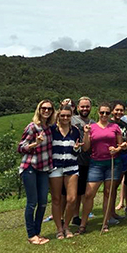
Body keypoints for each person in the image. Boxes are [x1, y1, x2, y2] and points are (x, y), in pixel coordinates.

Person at [78, 103, 127, 234]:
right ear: (98, 113)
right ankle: (83, 223)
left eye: (107, 113)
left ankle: (105, 222)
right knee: (89, 194)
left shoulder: (115, 127)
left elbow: (121, 145)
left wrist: (116, 149)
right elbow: (86, 148)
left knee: (108, 193)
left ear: (110, 114)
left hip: (112, 163)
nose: (104, 115)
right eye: (102, 113)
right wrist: (86, 134)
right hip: (96, 164)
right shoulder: (92, 127)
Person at [18, 100, 55, 245]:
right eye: (43, 108)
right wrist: (35, 143)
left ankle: (37, 232)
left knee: (43, 202)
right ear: (39, 110)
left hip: (44, 168)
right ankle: (31, 234)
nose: (46, 111)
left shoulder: (49, 128)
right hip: (30, 168)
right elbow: (21, 147)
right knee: (32, 202)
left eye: (49, 109)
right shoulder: (32, 127)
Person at [49, 105, 81, 239]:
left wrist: (76, 148)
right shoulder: (52, 130)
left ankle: (66, 226)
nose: (65, 118)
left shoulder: (75, 131)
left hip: (71, 167)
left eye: (68, 115)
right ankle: (59, 229)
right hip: (55, 168)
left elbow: (77, 151)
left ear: (71, 116)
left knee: (72, 199)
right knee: (56, 199)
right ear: (58, 116)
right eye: (63, 115)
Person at [71, 96, 95, 227]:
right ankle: (74, 216)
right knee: (75, 192)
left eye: (87, 106)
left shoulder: (94, 122)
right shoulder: (72, 119)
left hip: (88, 160)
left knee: (85, 191)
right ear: (78, 107)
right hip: (74, 160)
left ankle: (81, 215)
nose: (85, 109)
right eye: (82, 106)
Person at [110, 100, 127, 221]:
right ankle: (110, 212)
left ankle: (113, 212)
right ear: (112, 111)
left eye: (121, 110)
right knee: (112, 185)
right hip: (113, 156)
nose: (119, 112)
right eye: (117, 110)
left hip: (124, 155)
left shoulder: (124, 124)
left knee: (117, 184)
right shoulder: (109, 123)